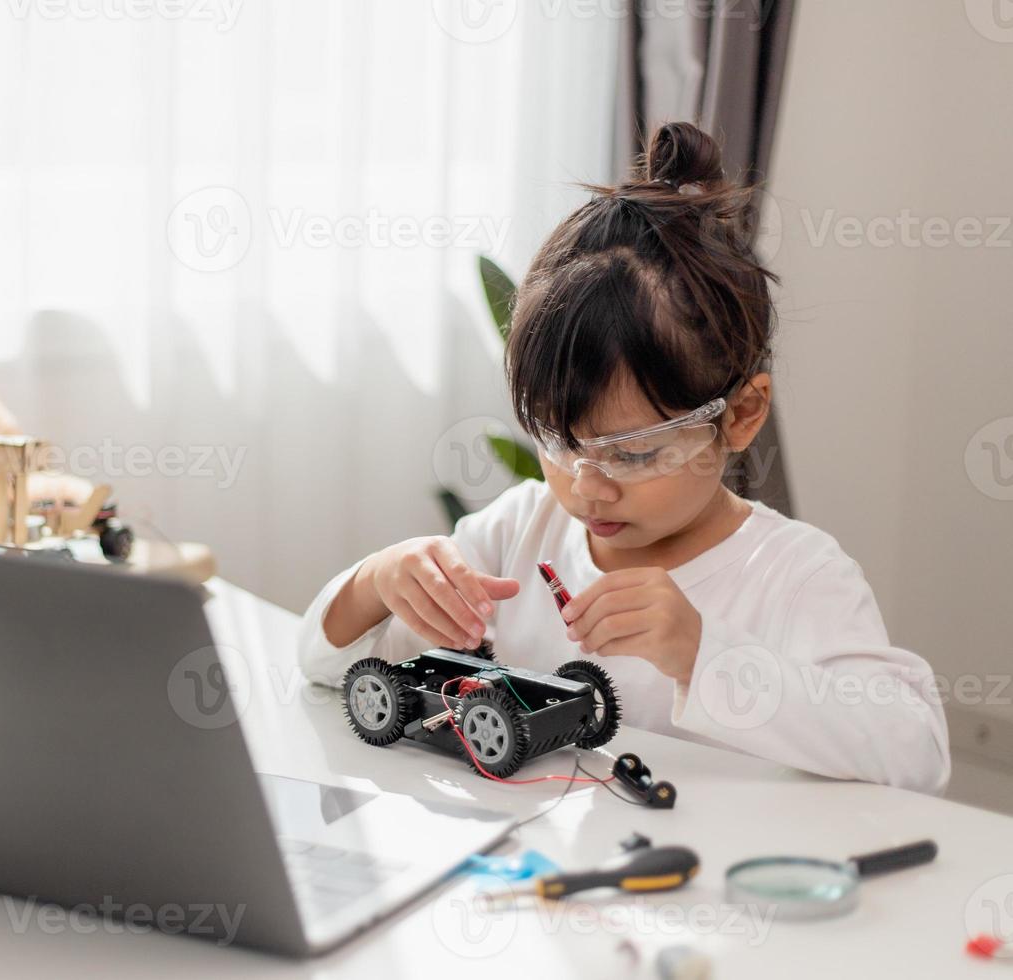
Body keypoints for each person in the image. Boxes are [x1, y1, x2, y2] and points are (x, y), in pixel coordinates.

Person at [297, 121, 950, 795]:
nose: (586, 489)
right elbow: (321, 665)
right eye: (556, 440)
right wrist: (377, 583)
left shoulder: (794, 575)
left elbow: (917, 754)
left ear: (743, 415)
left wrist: (703, 655)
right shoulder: (521, 531)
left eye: (634, 455)